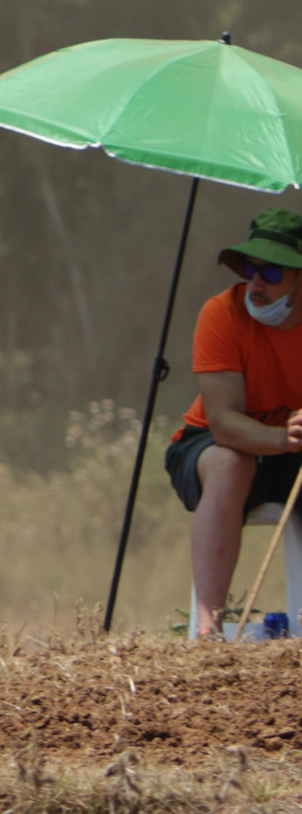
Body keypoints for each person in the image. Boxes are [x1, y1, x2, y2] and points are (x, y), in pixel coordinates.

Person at [165, 208, 302, 637]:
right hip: (211, 444)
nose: (256, 283)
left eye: (271, 272)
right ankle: (209, 626)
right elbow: (224, 423)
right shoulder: (221, 313)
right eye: (248, 269)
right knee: (231, 464)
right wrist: (286, 439)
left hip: (292, 448)